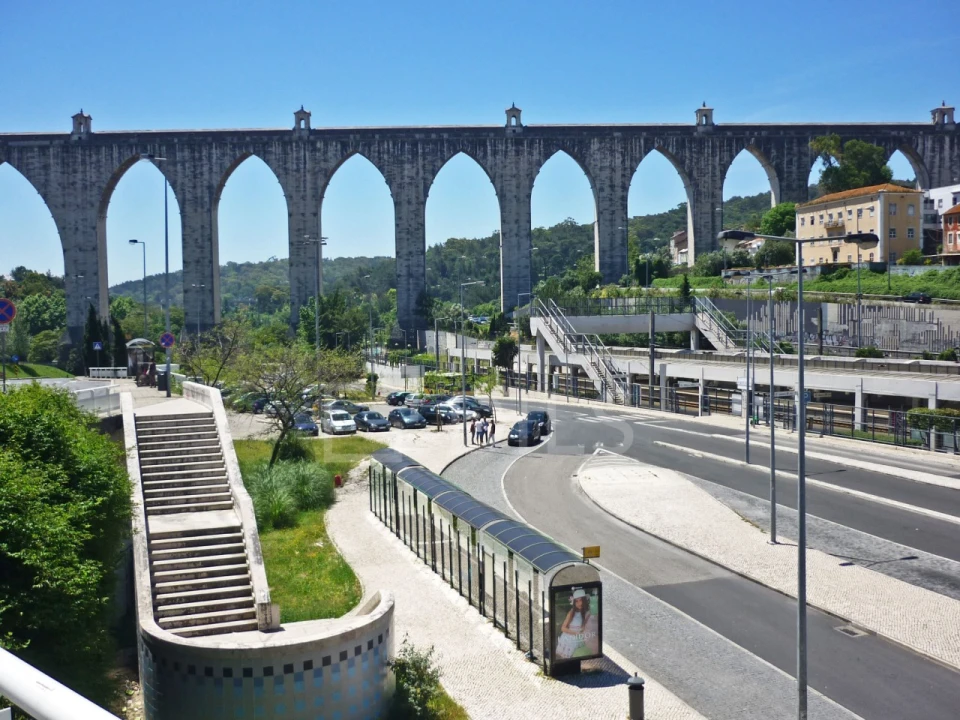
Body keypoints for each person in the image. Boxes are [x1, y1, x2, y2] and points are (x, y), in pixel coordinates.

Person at [556, 589, 593, 660]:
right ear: (574, 602)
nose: (579, 603)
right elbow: (563, 628)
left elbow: (586, 628)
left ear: (584, 601)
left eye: (581, 600)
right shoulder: (572, 612)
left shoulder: (587, 613)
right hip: (567, 637)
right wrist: (575, 633)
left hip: (577, 638)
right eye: (577, 601)